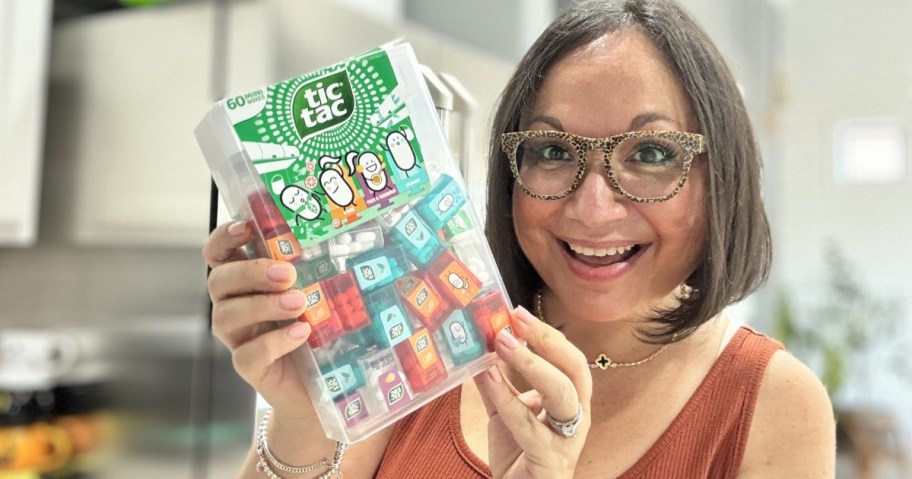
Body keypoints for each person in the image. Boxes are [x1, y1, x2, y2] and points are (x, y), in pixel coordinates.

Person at [203, 0, 836, 477]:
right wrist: (303, 422)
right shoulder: (417, 336)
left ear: (719, 176)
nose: (592, 208)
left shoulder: (773, 404)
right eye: (553, 150)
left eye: (650, 151)